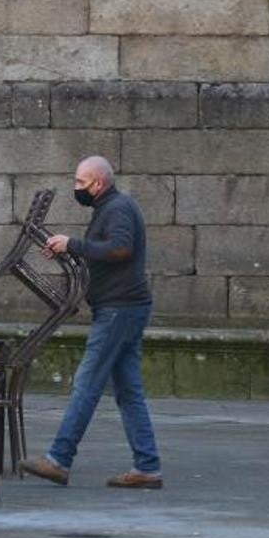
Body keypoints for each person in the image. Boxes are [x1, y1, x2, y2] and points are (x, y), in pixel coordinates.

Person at [19, 156, 163, 489]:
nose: (76, 188)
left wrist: (74, 244)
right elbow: (106, 250)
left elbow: (120, 249)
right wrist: (68, 248)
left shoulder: (117, 209)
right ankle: (148, 466)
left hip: (119, 309)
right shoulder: (112, 207)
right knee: (128, 392)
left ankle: (59, 459)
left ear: (98, 183)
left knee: (86, 385)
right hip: (126, 308)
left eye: (80, 183)